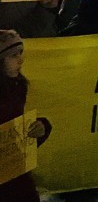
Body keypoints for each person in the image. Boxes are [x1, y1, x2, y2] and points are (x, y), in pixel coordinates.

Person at [0, 30, 52, 202]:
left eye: (20, 53)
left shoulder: (17, 86)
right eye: (13, 55)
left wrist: (41, 127)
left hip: (16, 173)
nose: (20, 60)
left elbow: (18, 132)